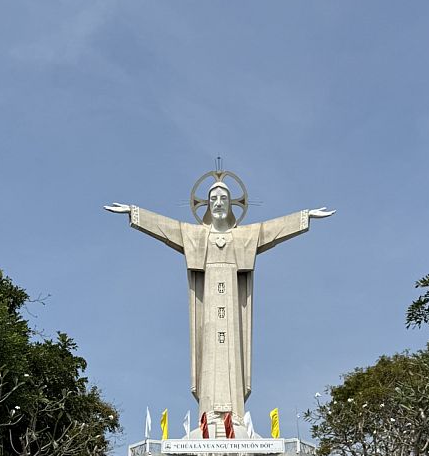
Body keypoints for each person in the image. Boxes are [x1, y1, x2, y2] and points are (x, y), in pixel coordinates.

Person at [104, 175, 334, 439]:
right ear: (205, 204)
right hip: (209, 303)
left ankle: (234, 418)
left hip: (232, 304)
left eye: (224, 198)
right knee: (211, 355)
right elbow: (165, 227)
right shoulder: (196, 236)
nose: (218, 203)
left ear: (232, 203)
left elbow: (272, 230)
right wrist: (134, 213)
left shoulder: (244, 236)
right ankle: (210, 416)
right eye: (213, 198)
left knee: (231, 355)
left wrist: (305, 217)